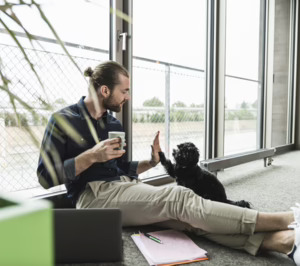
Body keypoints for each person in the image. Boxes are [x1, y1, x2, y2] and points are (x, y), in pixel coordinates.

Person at [37, 61, 300, 265]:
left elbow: (121, 170)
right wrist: (91, 156)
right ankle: (289, 218)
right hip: (91, 198)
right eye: (124, 91)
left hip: (123, 187)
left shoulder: (114, 123)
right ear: (105, 90)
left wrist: (151, 162)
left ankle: (284, 242)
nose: (127, 97)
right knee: (180, 199)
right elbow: (45, 178)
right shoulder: (63, 120)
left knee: (187, 219)